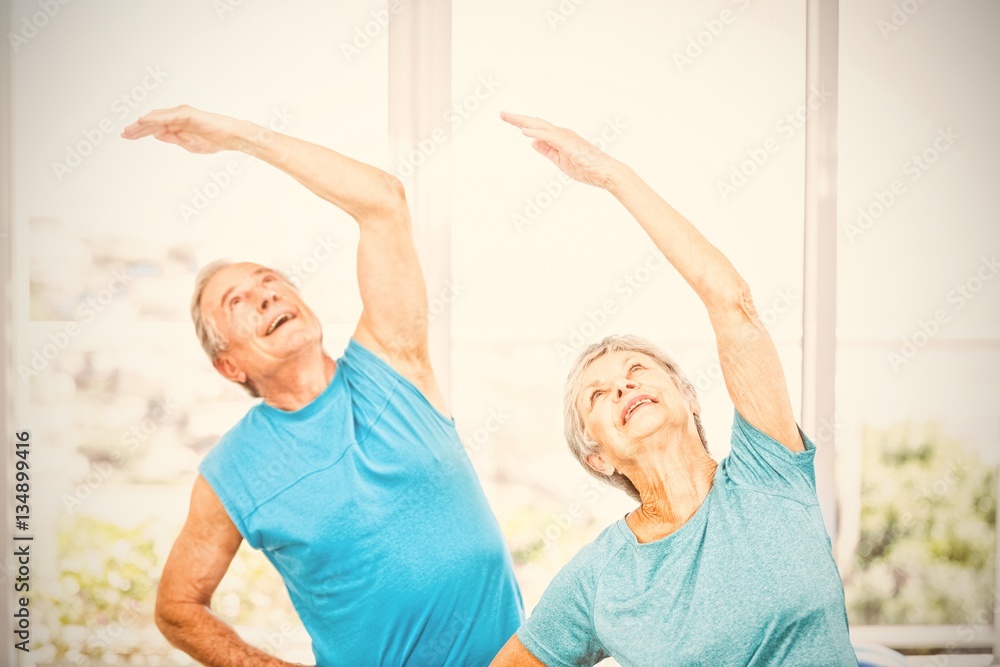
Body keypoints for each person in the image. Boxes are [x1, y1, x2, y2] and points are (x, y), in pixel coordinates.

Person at [122, 105, 523, 667]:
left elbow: (383, 202)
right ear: (228, 365)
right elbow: (177, 607)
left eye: (272, 282)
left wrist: (240, 134)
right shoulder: (232, 472)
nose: (266, 295)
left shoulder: (394, 361)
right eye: (236, 301)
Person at [491, 113, 857, 667]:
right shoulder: (600, 578)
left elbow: (733, 303)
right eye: (598, 395)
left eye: (638, 368)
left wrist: (611, 175)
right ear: (596, 456)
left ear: (688, 395)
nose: (623, 385)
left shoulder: (769, 472)